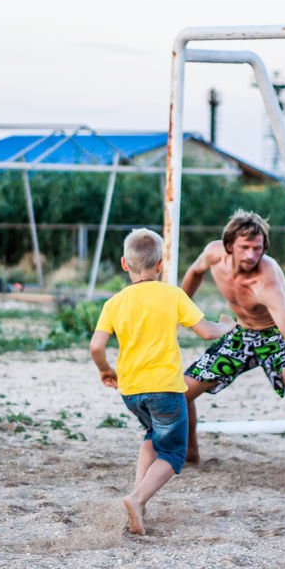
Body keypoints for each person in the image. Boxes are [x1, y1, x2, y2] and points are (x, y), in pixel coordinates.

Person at [90, 228, 234, 535]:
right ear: (161, 264)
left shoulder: (114, 303)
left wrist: (106, 370)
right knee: (173, 453)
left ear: (124, 264)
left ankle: (138, 501)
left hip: (131, 391)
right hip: (165, 389)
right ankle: (138, 498)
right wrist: (226, 326)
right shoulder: (173, 295)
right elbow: (206, 332)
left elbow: (96, 346)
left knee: (152, 434)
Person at [181, 210, 285, 479]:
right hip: (242, 333)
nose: (252, 255)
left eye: (257, 248)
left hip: (275, 335)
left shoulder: (265, 283)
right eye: (245, 247)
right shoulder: (213, 254)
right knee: (182, 392)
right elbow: (195, 272)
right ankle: (190, 452)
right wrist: (179, 308)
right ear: (229, 246)